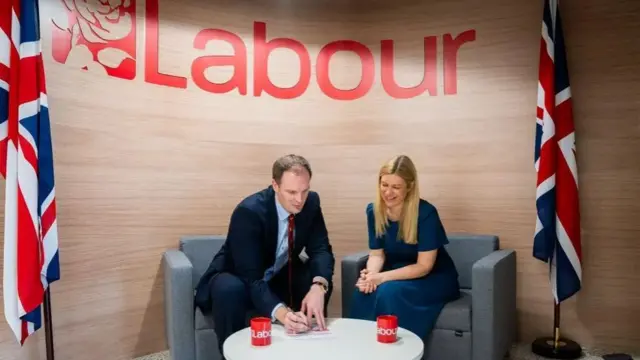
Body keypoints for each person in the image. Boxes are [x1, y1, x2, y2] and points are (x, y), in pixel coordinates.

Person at [194, 154, 335, 355]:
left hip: (278, 273)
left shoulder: (311, 203)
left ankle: (305, 348)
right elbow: (250, 276)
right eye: (292, 192)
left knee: (315, 277)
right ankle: (232, 354)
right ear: (275, 186)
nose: (299, 200)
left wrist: (319, 287)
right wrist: (283, 314)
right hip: (238, 275)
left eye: (305, 191)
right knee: (229, 289)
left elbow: (320, 249)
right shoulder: (249, 211)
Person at [349, 155, 460, 339]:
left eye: (396, 187)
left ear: (409, 187)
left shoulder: (425, 213)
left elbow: (424, 266)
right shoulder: (373, 210)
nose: (388, 192)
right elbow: (376, 255)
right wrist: (370, 275)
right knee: (364, 291)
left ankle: (397, 351)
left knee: (389, 292)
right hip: (395, 272)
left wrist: (381, 277)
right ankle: (360, 349)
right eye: (384, 185)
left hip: (433, 277)